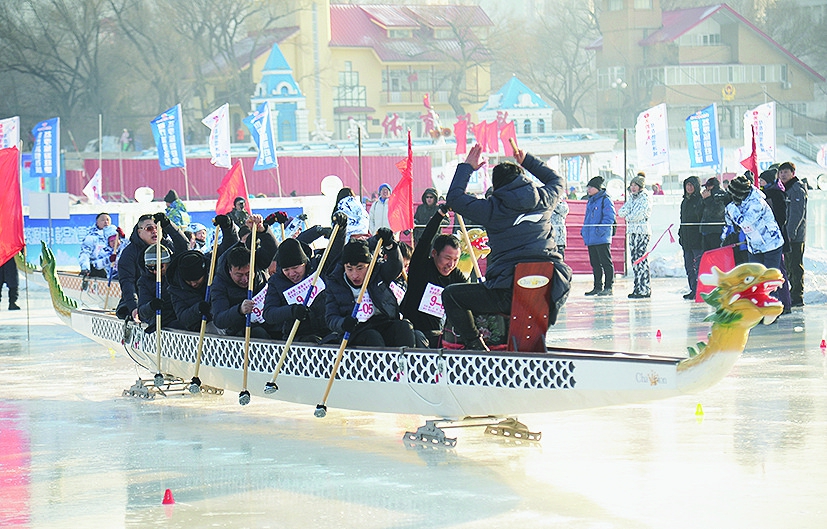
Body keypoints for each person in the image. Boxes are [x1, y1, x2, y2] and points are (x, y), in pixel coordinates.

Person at [442, 143, 572, 351]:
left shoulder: (492, 208)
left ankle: (475, 344)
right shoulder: (544, 198)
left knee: (451, 295)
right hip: (550, 287)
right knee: (528, 294)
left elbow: (454, 199)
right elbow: (557, 180)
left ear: (497, 186)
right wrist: (527, 160)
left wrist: (467, 167)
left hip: (508, 290)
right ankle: (528, 342)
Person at [262, 213, 348, 343]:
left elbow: (334, 253)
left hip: (328, 331)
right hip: (297, 337)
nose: (292, 274)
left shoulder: (317, 269)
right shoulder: (276, 282)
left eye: (296, 268)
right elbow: (269, 314)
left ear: (305, 263)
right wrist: (292, 310)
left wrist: (340, 229)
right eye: (286, 270)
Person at [324, 230, 416, 348]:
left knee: (404, 327)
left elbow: (395, 267)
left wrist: (390, 245)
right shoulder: (336, 283)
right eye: (349, 269)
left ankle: (406, 363)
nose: (355, 275)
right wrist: (343, 323)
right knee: (372, 337)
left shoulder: (377, 273)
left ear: (369, 266)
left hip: (382, 322)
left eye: (360, 268)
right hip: (356, 330)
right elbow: (331, 317)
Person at [400, 206, 467, 348]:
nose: (451, 264)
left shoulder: (456, 276)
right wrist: (441, 214)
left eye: (456, 259)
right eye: (447, 258)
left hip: (442, 337)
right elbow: (425, 239)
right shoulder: (422, 267)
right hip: (415, 335)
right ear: (435, 253)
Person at [211, 215, 280, 339]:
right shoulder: (219, 282)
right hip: (243, 331)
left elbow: (273, 251)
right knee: (258, 333)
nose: (245, 280)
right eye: (239, 275)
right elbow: (219, 319)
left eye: (248, 274)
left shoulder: (255, 261)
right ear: (230, 270)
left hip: (269, 318)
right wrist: (239, 310)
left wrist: (262, 230)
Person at [115, 213, 188, 320]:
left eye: (158, 228)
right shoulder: (129, 253)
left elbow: (184, 247)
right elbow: (127, 282)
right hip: (143, 298)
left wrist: (168, 225)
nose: (155, 231)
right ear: (139, 232)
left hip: (169, 298)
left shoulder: (167, 246)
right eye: (149, 228)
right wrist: (134, 307)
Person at [724, 175, 785, 292]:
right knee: (755, 280)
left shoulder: (757, 202)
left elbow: (745, 222)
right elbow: (730, 220)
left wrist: (730, 205)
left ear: (739, 193)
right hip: (754, 246)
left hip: (771, 244)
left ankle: (771, 307)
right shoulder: (740, 202)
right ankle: (758, 307)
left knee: (768, 280)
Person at [758, 169, 792, 312]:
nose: (760, 183)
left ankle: (785, 302)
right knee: (775, 271)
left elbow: (781, 217)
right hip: (767, 240)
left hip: (776, 239)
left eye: (762, 180)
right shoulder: (764, 194)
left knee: (779, 272)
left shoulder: (776, 194)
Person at [778, 161, 807, 307]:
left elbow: (797, 214)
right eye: (781, 172)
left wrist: (790, 233)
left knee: (795, 265)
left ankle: (797, 295)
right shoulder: (784, 188)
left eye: (786, 172)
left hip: (795, 236)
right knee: (788, 265)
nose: (783, 175)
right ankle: (792, 292)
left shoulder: (796, 189)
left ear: (792, 174)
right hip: (786, 235)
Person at [618, 173, 651, 298]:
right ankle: (637, 288)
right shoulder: (632, 198)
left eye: (635, 185)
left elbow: (639, 214)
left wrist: (629, 216)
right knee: (634, 261)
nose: (633, 187)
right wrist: (629, 215)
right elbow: (621, 212)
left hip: (642, 232)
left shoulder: (645, 197)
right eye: (631, 185)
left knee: (641, 260)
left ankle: (645, 288)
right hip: (632, 232)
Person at [581, 176, 615, 296]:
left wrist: (600, 231)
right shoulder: (591, 200)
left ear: (597, 188)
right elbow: (587, 218)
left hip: (601, 237)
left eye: (591, 187)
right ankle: (597, 286)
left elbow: (609, 217)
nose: (588, 190)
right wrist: (584, 231)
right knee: (595, 263)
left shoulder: (605, 199)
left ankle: (608, 286)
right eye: (588, 187)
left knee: (605, 262)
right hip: (591, 237)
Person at [135, 245, 178, 331]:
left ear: (167, 262)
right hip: (159, 323)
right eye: (150, 268)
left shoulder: (176, 275)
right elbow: (141, 311)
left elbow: (183, 244)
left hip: (178, 318)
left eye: (159, 267)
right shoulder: (144, 281)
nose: (155, 271)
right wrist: (151, 306)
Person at [679, 176, 704, 300]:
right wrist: (681, 235)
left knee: (698, 267)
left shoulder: (700, 200)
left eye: (691, 185)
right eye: (687, 185)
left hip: (697, 240)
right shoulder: (684, 202)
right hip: (686, 240)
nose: (689, 188)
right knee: (689, 266)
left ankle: (700, 290)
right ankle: (693, 289)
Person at [79, 212, 114, 278]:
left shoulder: (116, 236)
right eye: (103, 220)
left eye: (107, 220)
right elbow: (85, 253)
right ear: (97, 222)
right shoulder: (91, 237)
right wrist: (85, 268)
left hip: (112, 270)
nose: (106, 222)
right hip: (97, 269)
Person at [699, 177, 729, 252]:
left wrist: (707, 199)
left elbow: (718, 212)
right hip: (706, 230)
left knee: (715, 253)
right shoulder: (709, 195)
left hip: (716, 231)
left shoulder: (719, 195)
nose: (706, 189)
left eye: (708, 187)